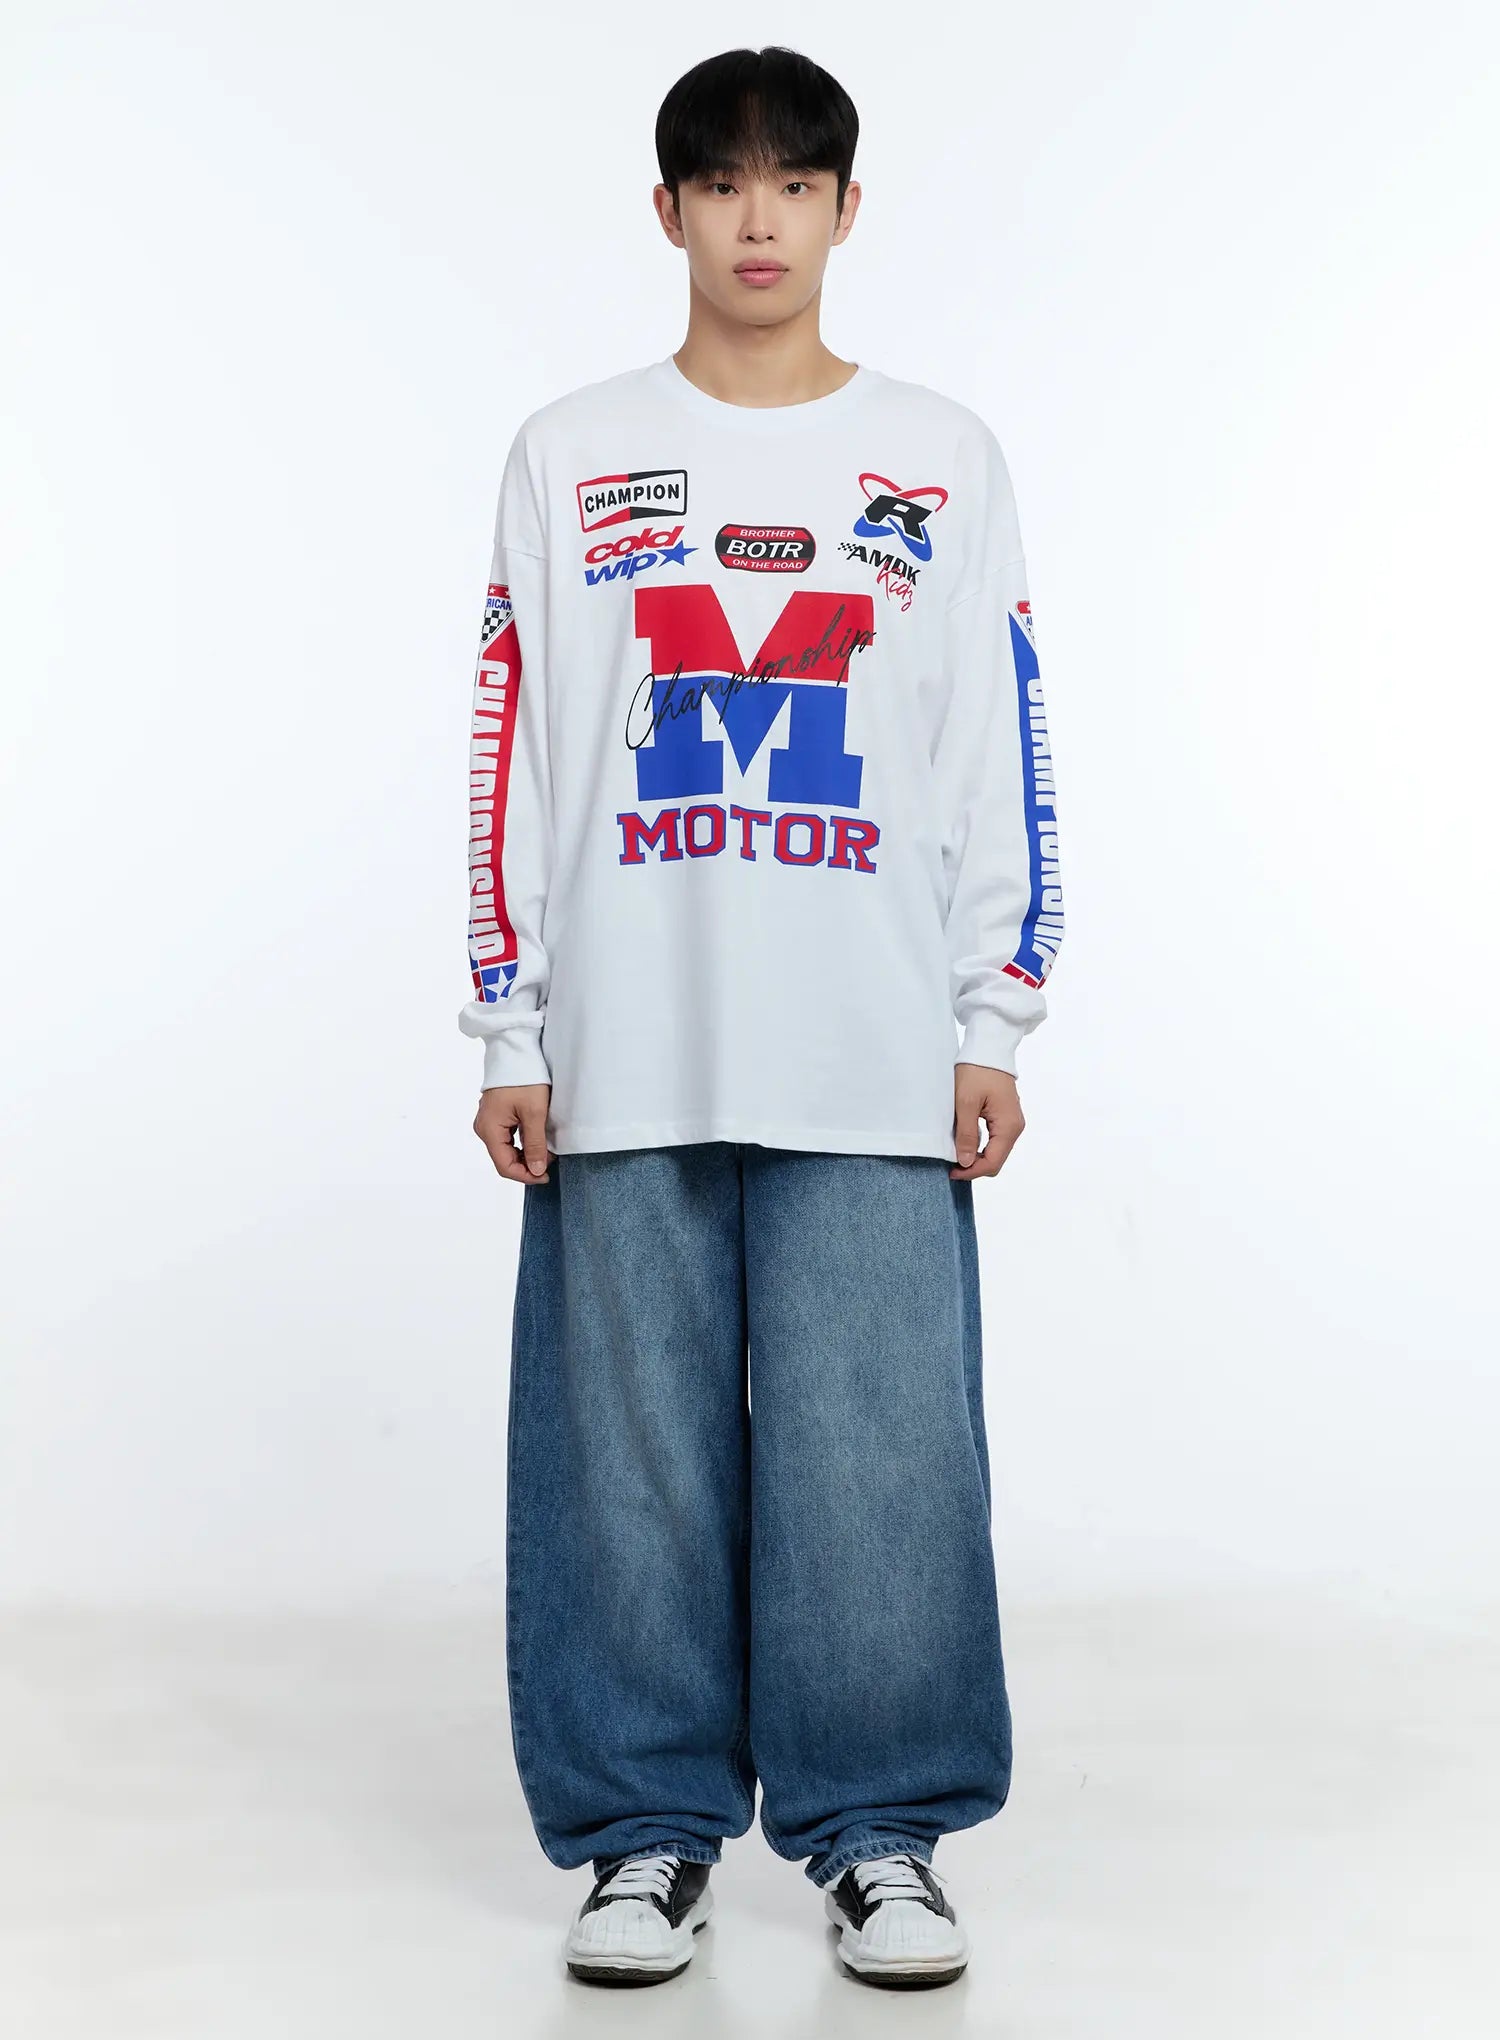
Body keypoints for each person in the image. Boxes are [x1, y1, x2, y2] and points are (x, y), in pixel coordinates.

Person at [458, 44, 1065, 1992]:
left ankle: (881, 1836)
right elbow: (514, 743)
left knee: (879, 1461)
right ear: (666, 212)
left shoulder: (941, 460)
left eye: (795, 184)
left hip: (872, 1048)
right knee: (625, 1465)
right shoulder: (569, 454)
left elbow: (995, 749)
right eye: (720, 184)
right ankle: (644, 1834)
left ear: (846, 210)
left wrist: (996, 1013)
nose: (757, 220)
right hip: (626, 1042)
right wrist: (509, 1025)